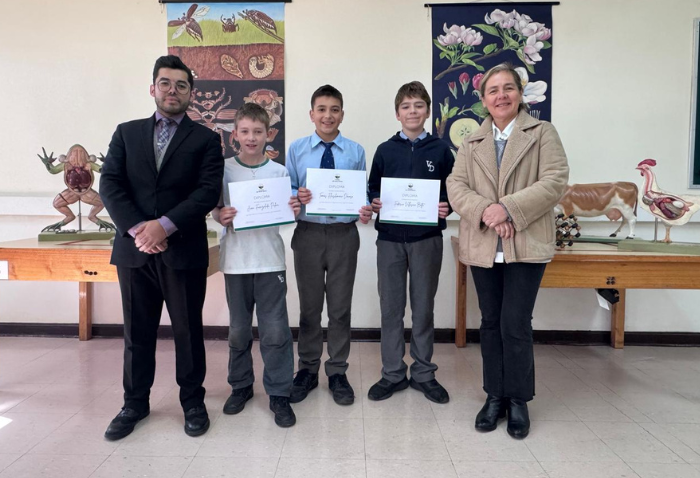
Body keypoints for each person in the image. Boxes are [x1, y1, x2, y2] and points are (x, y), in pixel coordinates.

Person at [100, 55, 224, 440]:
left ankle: (193, 401)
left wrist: (164, 226)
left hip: (183, 250)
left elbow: (206, 192)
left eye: (181, 85)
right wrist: (141, 229)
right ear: (153, 88)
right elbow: (110, 184)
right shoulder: (126, 133)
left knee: (188, 331)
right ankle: (134, 403)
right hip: (134, 250)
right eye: (166, 83)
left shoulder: (206, 139)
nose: (173, 90)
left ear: (191, 93)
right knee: (137, 333)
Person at [446, 63, 569, 438]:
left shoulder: (542, 133)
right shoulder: (471, 142)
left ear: (520, 93)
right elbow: (456, 185)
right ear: (483, 100)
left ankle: (517, 400)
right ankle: (494, 396)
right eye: (493, 90)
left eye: (508, 88)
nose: (501, 96)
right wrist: (489, 211)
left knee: (515, 324)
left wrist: (509, 208)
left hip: (526, 245)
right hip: (484, 245)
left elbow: (555, 180)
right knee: (489, 323)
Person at [212, 102, 300, 428]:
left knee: (275, 330)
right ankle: (241, 386)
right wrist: (219, 215)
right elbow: (214, 210)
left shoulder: (279, 172)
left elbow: (286, 214)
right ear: (234, 134)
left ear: (269, 134)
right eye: (245, 131)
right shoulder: (223, 170)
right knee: (238, 330)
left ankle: (279, 392)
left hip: (269, 261)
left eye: (258, 132)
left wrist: (293, 209)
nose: (251, 137)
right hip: (235, 261)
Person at [366, 81, 454, 404]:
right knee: (391, 308)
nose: (412, 111)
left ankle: (423, 373)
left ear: (427, 111)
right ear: (397, 113)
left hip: (426, 239)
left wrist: (448, 206)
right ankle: (392, 373)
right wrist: (375, 200)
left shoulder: (441, 150)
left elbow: (455, 190)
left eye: (418, 105)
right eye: (406, 106)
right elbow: (372, 188)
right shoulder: (385, 150)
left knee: (423, 308)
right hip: (390, 240)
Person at [286, 85, 373, 406]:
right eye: (321, 109)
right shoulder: (296, 149)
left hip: (343, 235)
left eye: (334, 109)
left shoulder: (355, 151)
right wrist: (296, 195)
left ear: (342, 114)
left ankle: (337, 370)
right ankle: (307, 369)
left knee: (339, 308)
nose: (328, 115)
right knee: (309, 308)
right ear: (311, 114)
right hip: (307, 233)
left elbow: (362, 191)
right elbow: (288, 187)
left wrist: (366, 208)